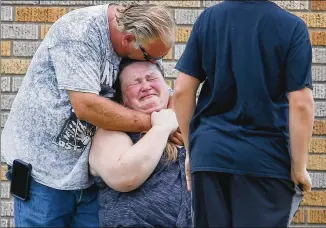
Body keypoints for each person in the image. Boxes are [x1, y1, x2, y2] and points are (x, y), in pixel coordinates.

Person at [1, 2, 181, 227]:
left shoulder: (144, 44)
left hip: (90, 173)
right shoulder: (80, 32)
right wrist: (157, 125)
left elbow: (159, 84)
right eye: (151, 57)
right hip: (44, 173)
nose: (155, 62)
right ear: (128, 40)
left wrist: (174, 114)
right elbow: (86, 107)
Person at [173, 0, 315, 227]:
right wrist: (299, 168)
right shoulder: (291, 27)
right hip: (265, 159)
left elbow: (181, 91)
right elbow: (301, 105)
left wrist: (192, 152)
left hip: (210, 154)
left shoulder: (208, 19)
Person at [89, 59, 192, 227]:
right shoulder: (111, 132)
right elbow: (124, 176)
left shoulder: (188, 123)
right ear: (122, 100)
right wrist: (162, 128)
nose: (146, 86)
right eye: (134, 84)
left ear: (167, 87)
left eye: (151, 79)